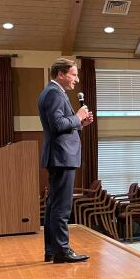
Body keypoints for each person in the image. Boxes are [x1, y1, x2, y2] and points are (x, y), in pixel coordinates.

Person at [38, 57, 94, 264]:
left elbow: (63, 124)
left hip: (59, 155)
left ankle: (52, 250)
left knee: (53, 206)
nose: (76, 80)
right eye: (73, 74)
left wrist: (80, 123)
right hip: (62, 156)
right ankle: (62, 250)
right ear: (61, 74)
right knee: (61, 207)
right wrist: (78, 117)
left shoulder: (54, 92)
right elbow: (57, 124)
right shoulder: (54, 93)